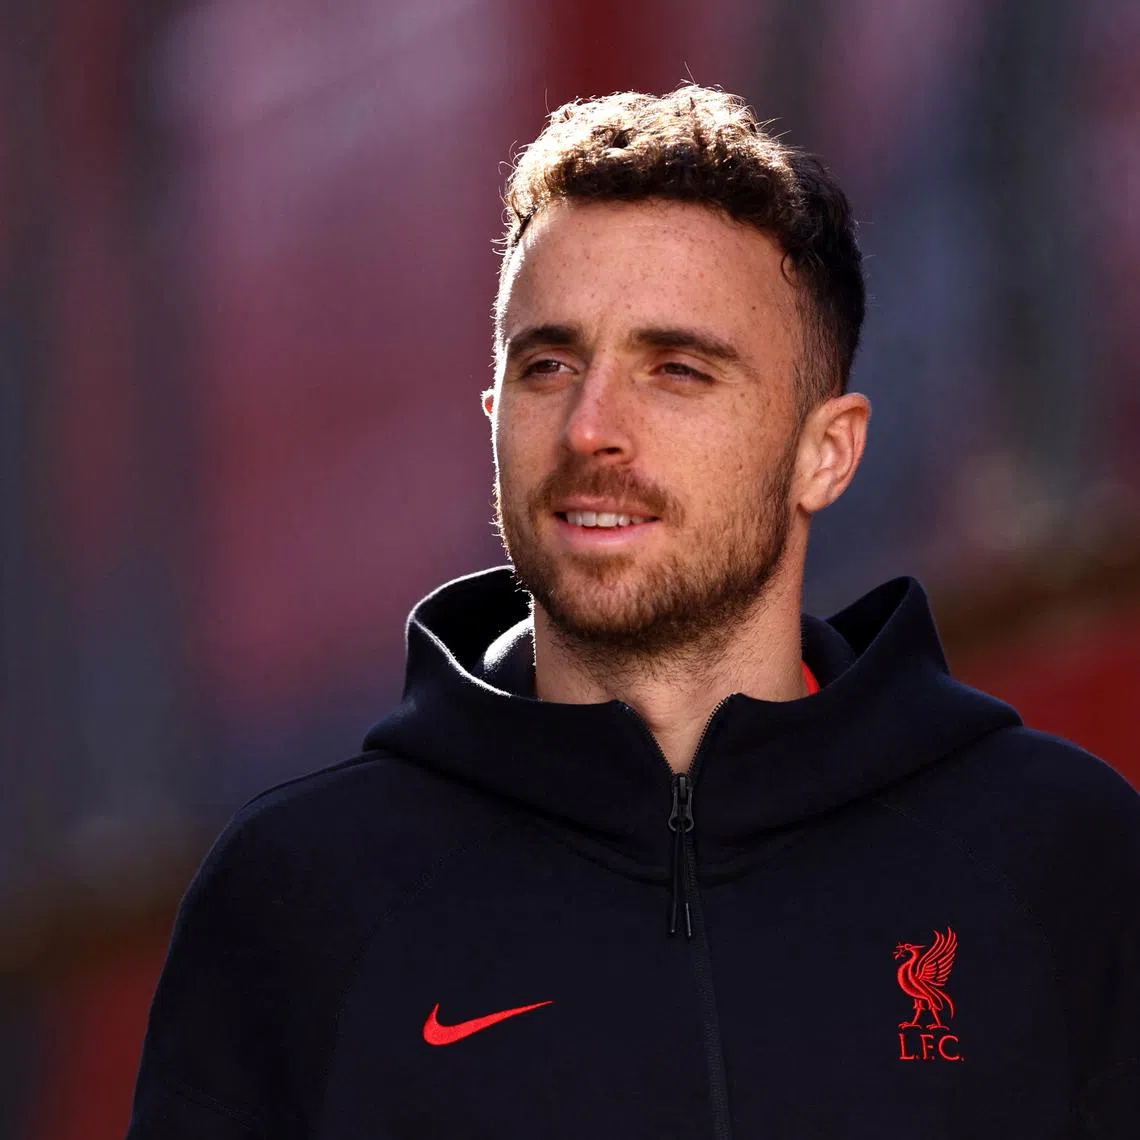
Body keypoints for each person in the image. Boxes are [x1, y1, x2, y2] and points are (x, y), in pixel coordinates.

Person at [126, 86, 1140, 1139]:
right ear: (495, 416)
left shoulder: (1059, 858)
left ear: (826, 452)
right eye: (549, 366)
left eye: (677, 370)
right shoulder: (301, 896)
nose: (589, 428)